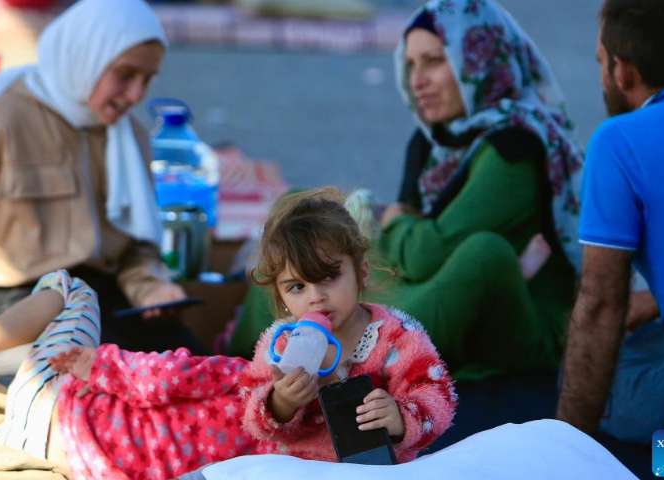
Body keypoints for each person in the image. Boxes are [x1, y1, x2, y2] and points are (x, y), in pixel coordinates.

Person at [0, 188, 457, 479]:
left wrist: (403, 419)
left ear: (361, 273)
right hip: (66, 410)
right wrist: (282, 405)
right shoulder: (278, 346)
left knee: (70, 289)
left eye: (329, 278)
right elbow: (250, 412)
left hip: (65, 416)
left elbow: (438, 395)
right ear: (280, 299)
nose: (314, 299)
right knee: (73, 294)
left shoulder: (394, 336)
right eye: (296, 289)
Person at [230, 0, 584, 382]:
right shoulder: (434, 140)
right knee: (297, 213)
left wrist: (395, 220)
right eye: (412, 64)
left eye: (434, 61)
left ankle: (343, 354)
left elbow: (425, 254)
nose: (417, 81)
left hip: (508, 314)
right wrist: (396, 225)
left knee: (486, 255)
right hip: (430, 278)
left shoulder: (513, 149)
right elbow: (416, 253)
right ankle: (239, 368)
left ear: (479, 62)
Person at [0, 0, 205, 354]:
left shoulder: (129, 135)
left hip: (105, 294)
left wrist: (151, 287)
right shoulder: (6, 121)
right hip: (20, 304)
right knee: (106, 380)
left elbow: (134, 244)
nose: (136, 95)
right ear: (85, 57)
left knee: (198, 366)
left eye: (147, 80)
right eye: (125, 75)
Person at [556, 0, 664, 458]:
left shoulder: (620, 140)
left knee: (597, 380)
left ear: (622, 72)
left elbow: (601, 305)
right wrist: (659, 304)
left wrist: (561, 452)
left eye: (602, 65)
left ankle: (659, 467)